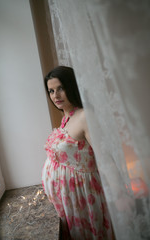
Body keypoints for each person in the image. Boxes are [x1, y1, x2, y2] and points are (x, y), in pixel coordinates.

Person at [42, 66, 113, 240]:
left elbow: (106, 160)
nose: (55, 95)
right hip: (68, 201)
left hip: (83, 198)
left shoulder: (84, 116)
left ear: (72, 87)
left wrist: (119, 195)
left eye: (60, 88)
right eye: (51, 91)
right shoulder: (67, 117)